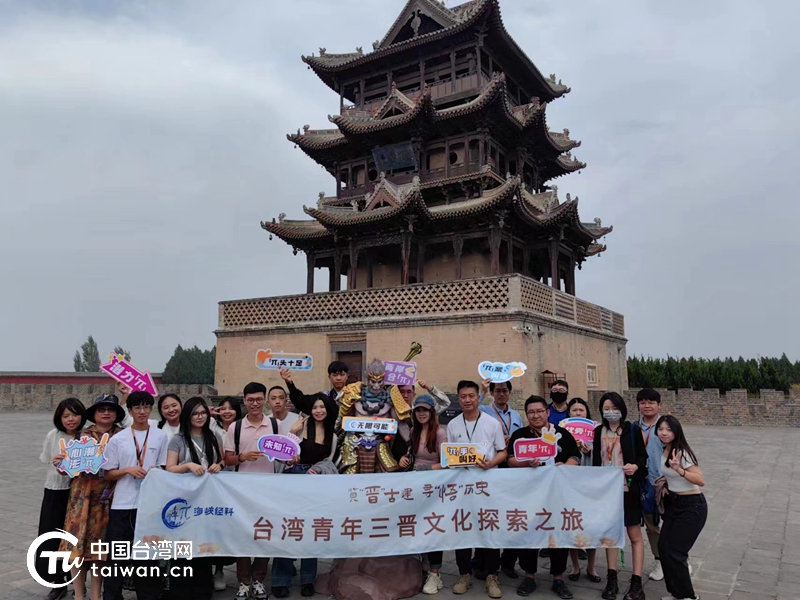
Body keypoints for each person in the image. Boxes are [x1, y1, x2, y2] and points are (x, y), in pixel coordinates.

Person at [507, 396, 579, 599]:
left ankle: (558, 577)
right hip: (528, 494)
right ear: (526, 414)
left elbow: (575, 457)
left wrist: (564, 467)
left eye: (540, 411)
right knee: (529, 533)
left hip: (557, 494)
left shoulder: (562, 434)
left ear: (548, 412)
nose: (536, 415)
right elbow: (511, 459)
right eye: (531, 412)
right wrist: (526, 463)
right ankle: (529, 576)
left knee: (557, 533)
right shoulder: (520, 436)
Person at [102, 391, 169, 600]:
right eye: (137, 408)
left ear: (151, 409)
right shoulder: (118, 439)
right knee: (116, 558)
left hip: (149, 507)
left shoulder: (160, 436)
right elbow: (108, 473)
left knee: (148, 558)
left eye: (146, 407)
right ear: (129, 411)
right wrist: (128, 470)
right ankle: (112, 596)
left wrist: (155, 471)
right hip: (122, 506)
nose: (142, 412)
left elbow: (164, 467)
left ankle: (149, 596)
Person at [271, 393, 339, 598]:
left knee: (312, 530)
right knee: (288, 528)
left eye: (323, 407)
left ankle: (308, 579)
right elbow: (282, 454)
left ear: (328, 410)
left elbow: (330, 461)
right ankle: (280, 579)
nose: (319, 411)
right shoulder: (299, 428)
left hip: (316, 483)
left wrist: (317, 469)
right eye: (315, 407)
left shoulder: (332, 435)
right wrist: (292, 435)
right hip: (294, 478)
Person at [60, 394, 126, 600]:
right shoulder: (82, 436)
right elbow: (68, 468)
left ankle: (97, 594)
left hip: (110, 498)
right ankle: (79, 594)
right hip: (82, 498)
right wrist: (61, 465)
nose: (106, 413)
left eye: (110, 409)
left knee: (100, 550)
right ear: (94, 414)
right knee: (76, 547)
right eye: (101, 409)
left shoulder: (124, 436)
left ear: (116, 414)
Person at [446, 380, 507, 599]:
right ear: (459, 398)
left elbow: (502, 451)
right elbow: (449, 456)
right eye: (463, 396)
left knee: (489, 529)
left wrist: (491, 463)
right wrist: (454, 461)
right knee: (462, 529)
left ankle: (492, 575)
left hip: (487, 486)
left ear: (478, 397)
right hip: (462, 487)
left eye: (471, 396)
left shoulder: (492, 423)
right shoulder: (453, 425)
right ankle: (464, 574)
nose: (468, 400)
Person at [224, 382, 281, 600]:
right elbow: (227, 458)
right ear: (245, 401)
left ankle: (258, 580)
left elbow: (286, 452)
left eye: (259, 399)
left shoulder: (274, 425)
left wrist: (293, 456)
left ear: (265, 400)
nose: (255, 403)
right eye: (250, 400)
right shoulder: (235, 427)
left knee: (263, 535)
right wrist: (242, 457)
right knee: (242, 537)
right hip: (241, 490)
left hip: (268, 489)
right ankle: (243, 582)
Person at [166, 397, 225, 600]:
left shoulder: (214, 437)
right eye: (195, 413)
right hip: (183, 502)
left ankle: (202, 591)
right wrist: (188, 465)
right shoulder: (178, 439)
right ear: (188, 416)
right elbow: (169, 468)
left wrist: (220, 465)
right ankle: (180, 592)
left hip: (207, 502)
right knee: (182, 547)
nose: (200, 417)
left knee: (203, 547)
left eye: (203, 413)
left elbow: (221, 459)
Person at [592, 392, 647, 600]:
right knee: (610, 536)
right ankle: (612, 578)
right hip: (606, 492)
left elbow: (643, 458)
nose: (610, 412)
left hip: (628, 489)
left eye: (614, 408)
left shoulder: (632, 430)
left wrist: (635, 466)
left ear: (622, 409)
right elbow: (596, 459)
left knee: (634, 536)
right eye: (606, 408)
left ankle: (636, 582)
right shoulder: (598, 432)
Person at [37, 398, 87, 599]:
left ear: (82, 416)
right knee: (51, 537)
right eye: (66, 416)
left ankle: (77, 581)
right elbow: (48, 459)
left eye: (74, 414)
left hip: (78, 494)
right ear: (59, 417)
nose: (70, 419)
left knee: (75, 539)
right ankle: (57, 582)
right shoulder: (53, 435)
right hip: (56, 491)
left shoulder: (87, 437)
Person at [398, 395, 447, 595]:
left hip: (434, 486)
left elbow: (446, 461)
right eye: (418, 410)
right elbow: (411, 456)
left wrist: (425, 469)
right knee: (416, 526)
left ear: (432, 412)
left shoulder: (441, 433)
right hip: (416, 486)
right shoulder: (413, 431)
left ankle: (436, 574)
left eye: (425, 410)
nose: (421, 413)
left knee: (433, 528)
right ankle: (422, 567)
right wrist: (404, 460)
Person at [656, 416, 706, 600]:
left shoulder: (682, 452)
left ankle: (688, 596)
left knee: (676, 552)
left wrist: (680, 470)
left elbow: (700, 480)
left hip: (692, 507)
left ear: (676, 432)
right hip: (674, 504)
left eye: (668, 429)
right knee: (663, 548)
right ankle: (676, 593)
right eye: (660, 429)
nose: (664, 432)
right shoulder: (664, 450)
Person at [478, 379, 523, 578]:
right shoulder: (485, 411)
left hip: (512, 467)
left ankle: (508, 562)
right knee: (489, 516)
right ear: (492, 393)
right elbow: (471, 408)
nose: (501, 394)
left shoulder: (516, 416)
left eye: (505, 390)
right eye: (497, 391)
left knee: (512, 515)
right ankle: (480, 562)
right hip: (491, 466)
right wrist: (481, 390)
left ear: (510, 393)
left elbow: (521, 438)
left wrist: (511, 439)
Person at [565, 398, 601, 584]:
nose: (578, 413)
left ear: (587, 412)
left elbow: (603, 453)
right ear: (569, 413)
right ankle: (575, 566)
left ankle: (591, 566)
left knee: (591, 526)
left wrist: (590, 449)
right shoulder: (562, 431)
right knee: (573, 523)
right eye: (574, 410)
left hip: (590, 483)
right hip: (570, 484)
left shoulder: (597, 430)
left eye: (581, 410)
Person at [210, 397, 242, 590]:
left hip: (239, 483)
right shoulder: (212, 428)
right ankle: (217, 570)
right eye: (224, 408)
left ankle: (244, 572)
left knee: (237, 529)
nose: (227, 412)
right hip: (217, 485)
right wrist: (209, 413)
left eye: (232, 408)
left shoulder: (241, 428)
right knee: (217, 528)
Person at [636, 389, 666, 582]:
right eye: (643, 402)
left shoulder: (666, 426)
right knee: (652, 525)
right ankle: (660, 560)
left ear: (659, 405)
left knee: (672, 524)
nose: (647, 405)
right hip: (644, 483)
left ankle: (679, 558)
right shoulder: (633, 428)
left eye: (651, 402)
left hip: (666, 481)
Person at [280, 361, 350, 412]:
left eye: (342, 375)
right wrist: (289, 382)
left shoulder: (356, 396)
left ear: (347, 376)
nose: (338, 378)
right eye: (335, 375)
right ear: (329, 377)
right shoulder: (324, 396)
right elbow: (301, 402)